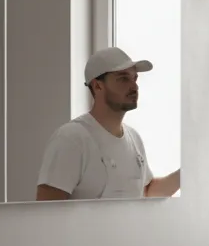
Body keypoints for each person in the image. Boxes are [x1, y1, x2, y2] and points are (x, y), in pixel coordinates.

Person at [36, 47, 180, 201]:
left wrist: (187, 172)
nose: (134, 86)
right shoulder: (71, 139)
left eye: (134, 78)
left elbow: (147, 192)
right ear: (98, 86)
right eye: (123, 79)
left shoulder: (134, 138)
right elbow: (47, 212)